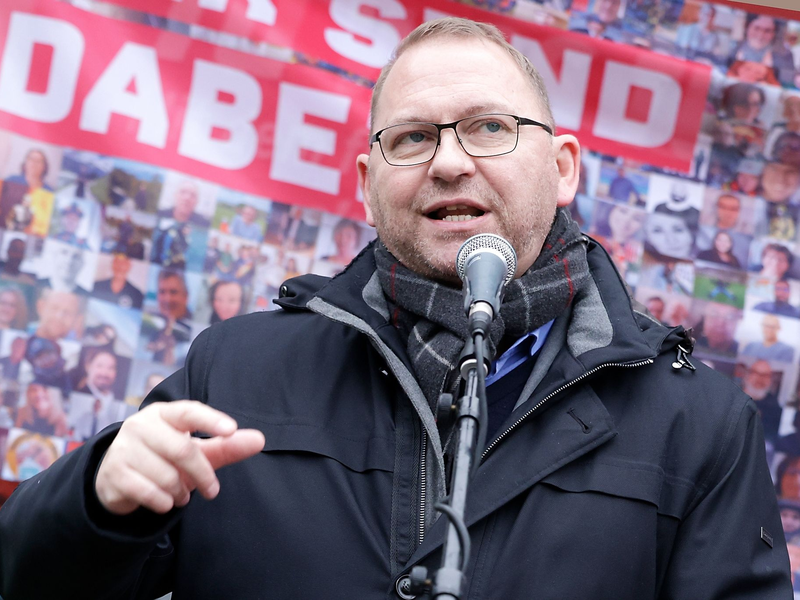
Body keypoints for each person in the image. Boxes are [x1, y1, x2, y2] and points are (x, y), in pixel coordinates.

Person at [0, 17, 790, 599]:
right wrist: (97, 499)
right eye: (411, 139)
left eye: (489, 127)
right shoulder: (233, 369)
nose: (449, 161)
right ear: (366, 186)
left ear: (563, 168)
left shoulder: (699, 424)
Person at [0, 148, 55, 237]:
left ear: (44, 166)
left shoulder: (49, 191)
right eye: (31, 159)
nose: (34, 163)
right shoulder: (11, 181)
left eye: (39, 161)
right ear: (25, 162)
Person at [731, 15, 796, 87]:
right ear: (747, 27)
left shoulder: (785, 56)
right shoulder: (732, 48)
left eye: (767, 31)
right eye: (756, 28)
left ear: (774, 33)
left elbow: (787, 83)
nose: (760, 35)